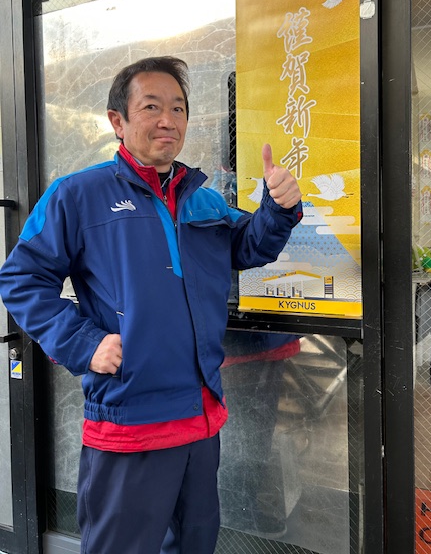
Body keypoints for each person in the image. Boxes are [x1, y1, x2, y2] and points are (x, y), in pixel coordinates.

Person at [0, 56, 303, 554]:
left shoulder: (202, 200)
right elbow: (21, 278)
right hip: (130, 419)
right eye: (152, 107)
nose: (168, 120)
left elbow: (249, 246)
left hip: (200, 417)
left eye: (178, 108)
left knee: (193, 544)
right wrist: (84, 343)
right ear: (117, 121)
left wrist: (279, 207)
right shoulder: (78, 195)